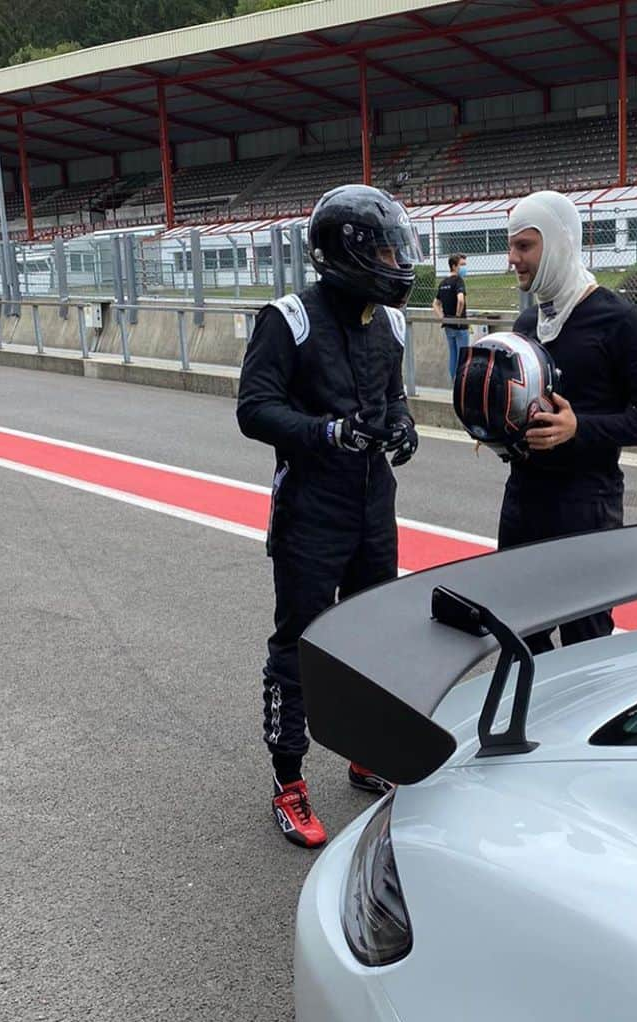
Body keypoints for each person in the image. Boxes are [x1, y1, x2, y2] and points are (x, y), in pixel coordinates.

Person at [236, 184, 421, 848]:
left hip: (375, 503)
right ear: (344, 252)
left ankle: (366, 750)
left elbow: (392, 398)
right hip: (311, 510)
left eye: (397, 246)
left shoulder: (392, 324)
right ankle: (288, 780)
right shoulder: (288, 318)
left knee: (370, 633)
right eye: (381, 247)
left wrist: (402, 427)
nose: (395, 259)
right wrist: (324, 433)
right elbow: (253, 408)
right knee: (302, 643)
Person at [501, 190, 637, 654]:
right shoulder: (525, 326)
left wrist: (580, 429)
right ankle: (532, 727)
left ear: (558, 243)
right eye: (511, 246)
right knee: (520, 634)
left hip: (586, 503)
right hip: (523, 498)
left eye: (524, 246)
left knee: (585, 642)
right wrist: (498, 430)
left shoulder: (622, 322)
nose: (512, 258)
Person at [433, 253, 468, 378]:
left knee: (453, 354)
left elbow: (435, 304)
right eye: (462, 265)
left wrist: (442, 317)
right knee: (463, 356)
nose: (464, 268)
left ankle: (454, 382)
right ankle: (461, 384)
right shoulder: (458, 281)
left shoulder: (443, 283)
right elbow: (460, 300)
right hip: (460, 326)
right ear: (454, 266)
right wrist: (458, 317)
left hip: (448, 325)